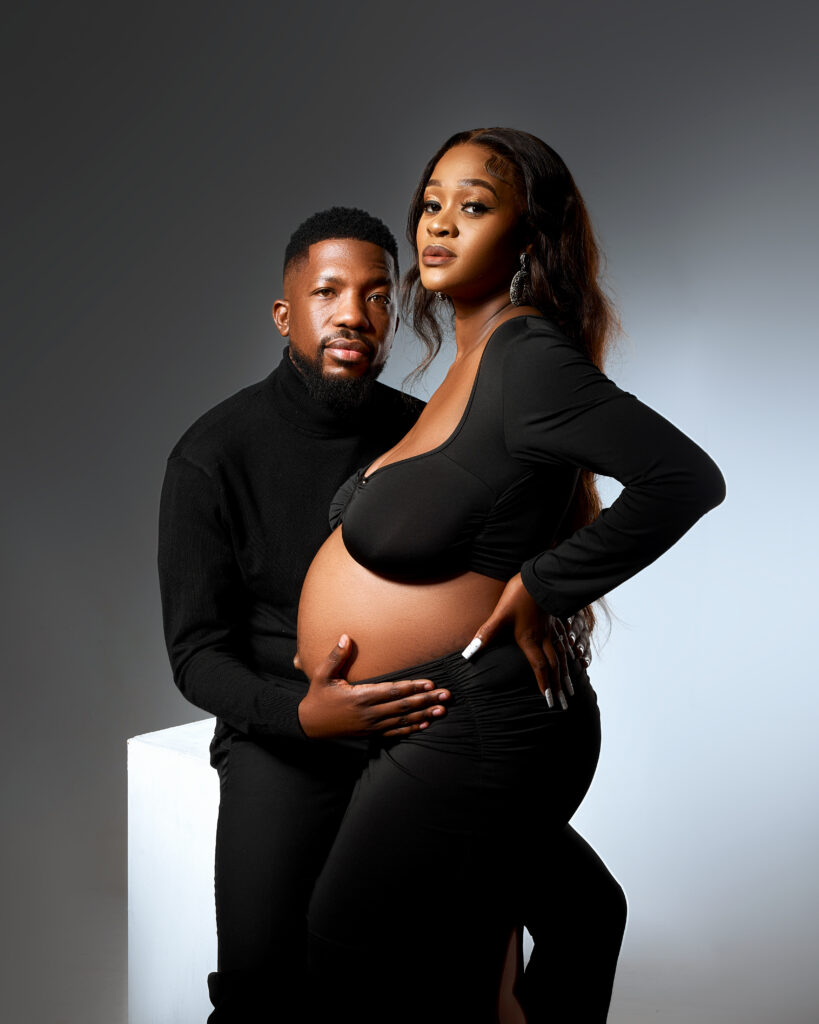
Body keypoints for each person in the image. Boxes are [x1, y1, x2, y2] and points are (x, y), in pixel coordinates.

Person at [158, 206, 627, 1024]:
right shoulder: (213, 455)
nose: (353, 315)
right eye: (328, 292)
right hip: (290, 743)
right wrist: (303, 715)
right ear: (285, 314)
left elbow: (498, 555)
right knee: (265, 988)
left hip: (428, 730)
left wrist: (537, 598)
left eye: (377, 295)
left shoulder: (423, 432)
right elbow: (197, 653)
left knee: (584, 912)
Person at [299, 131, 726, 1023]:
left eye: (474, 206)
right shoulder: (471, 359)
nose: (439, 225)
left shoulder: (526, 358)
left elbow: (684, 479)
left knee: (347, 955)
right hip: (447, 721)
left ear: (527, 238)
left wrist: (544, 583)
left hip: (479, 723)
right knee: (528, 941)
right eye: (431, 204)